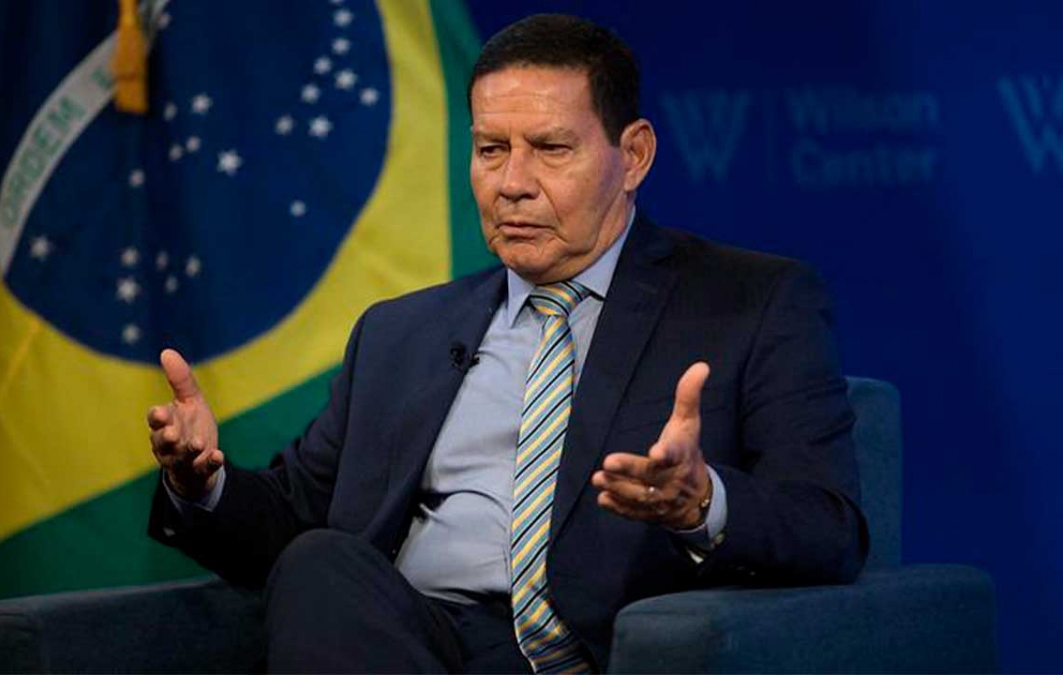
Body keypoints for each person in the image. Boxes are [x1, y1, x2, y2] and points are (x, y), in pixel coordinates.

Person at [145, 13, 867, 674]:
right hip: (400, 640)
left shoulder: (751, 303)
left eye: (550, 149)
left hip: (585, 654)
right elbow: (293, 521)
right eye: (491, 149)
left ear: (634, 155)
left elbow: (830, 528)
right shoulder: (399, 333)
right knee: (319, 564)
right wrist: (200, 483)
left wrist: (701, 503)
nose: (511, 184)